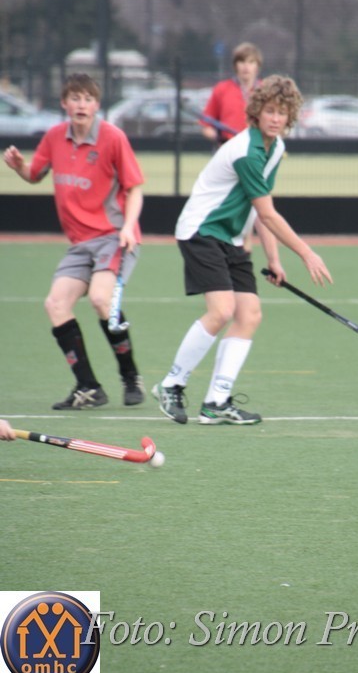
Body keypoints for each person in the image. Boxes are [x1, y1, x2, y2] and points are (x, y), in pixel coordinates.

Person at [152, 74, 332, 426]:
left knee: (249, 314)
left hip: (231, 237)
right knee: (221, 311)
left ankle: (216, 403)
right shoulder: (247, 151)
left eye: (282, 112)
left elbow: (261, 208)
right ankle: (171, 384)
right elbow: (268, 213)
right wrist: (306, 253)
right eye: (270, 110)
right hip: (202, 230)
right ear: (257, 112)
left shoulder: (274, 149)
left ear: (290, 116)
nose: (276, 118)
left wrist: (274, 259)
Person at [3, 73, 145, 410]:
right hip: (80, 243)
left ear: (97, 105)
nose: (82, 105)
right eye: (75, 98)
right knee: (55, 304)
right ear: (64, 103)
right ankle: (88, 387)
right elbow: (35, 175)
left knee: (101, 299)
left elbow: (135, 188)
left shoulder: (112, 137)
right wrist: (20, 167)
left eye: (88, 99)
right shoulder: (54, 137)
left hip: (113, 236)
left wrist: (129, 226)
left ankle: (130, 377)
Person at [201, 41, 263, 145]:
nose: (246, 67)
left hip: (257, 148)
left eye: (251, 62)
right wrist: (219, 138)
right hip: (228, 148)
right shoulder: (222, 89)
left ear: (257, 66)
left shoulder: (266, 89)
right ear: (235, 65)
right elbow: (206, 126)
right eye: (242, 61)